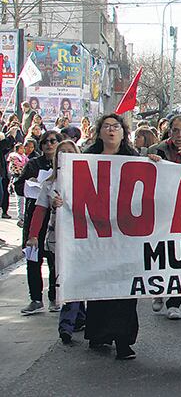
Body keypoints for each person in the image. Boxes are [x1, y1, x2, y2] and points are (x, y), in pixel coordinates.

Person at [83, 114, 140, 359]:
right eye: (106, 127)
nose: (110, 131)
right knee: (101, 285)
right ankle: (99, 333)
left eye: (115, 127)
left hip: (126, 235)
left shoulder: (134, 158)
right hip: (97, 235)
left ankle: (124, 341)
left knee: (125, 289)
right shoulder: (85, 159)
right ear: (99, 132)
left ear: (123, 131)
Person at [25, 139, 86, 344]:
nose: (66, 155)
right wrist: (33, 236)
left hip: (81, 239)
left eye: (70, 151)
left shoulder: (86, 179)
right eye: (62, 152)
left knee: (74, 279)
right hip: (57, 240)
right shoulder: (49, 184)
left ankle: (69, 322)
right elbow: (39, 211)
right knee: (64, 278)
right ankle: (74, 319)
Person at [146, 115, 181, 321]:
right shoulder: (156, 150)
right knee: (160, 253)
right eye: (175, 130)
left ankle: (175, 301)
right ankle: (158, 291)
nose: (179, 135)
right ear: (169, 131)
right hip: (160, 210)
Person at [16, 130, 61, 316]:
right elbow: (18, 186)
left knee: (54, 259)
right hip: (35, 214)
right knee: (33, 259)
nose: (49, 145)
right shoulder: (33, 164)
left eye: (53, 141)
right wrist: (30, 182)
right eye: (45, 142)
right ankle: (35, 298)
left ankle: (54, 296)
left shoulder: (63, 164)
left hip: (53, 219)